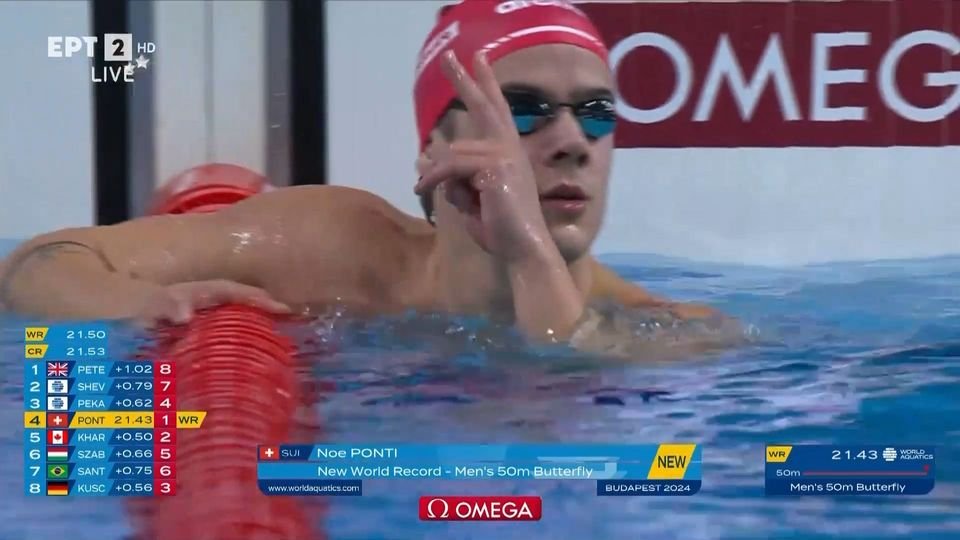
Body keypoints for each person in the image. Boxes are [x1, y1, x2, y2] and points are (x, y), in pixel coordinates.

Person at [0, 0, 741, 359]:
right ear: (434, 150)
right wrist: (144, 303)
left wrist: (530, 259)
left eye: (596, 114)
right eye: (522, 111)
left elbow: (565, 379)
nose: (573, 142)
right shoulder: (332, 248)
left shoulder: (670, 327)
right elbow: (40, 265)